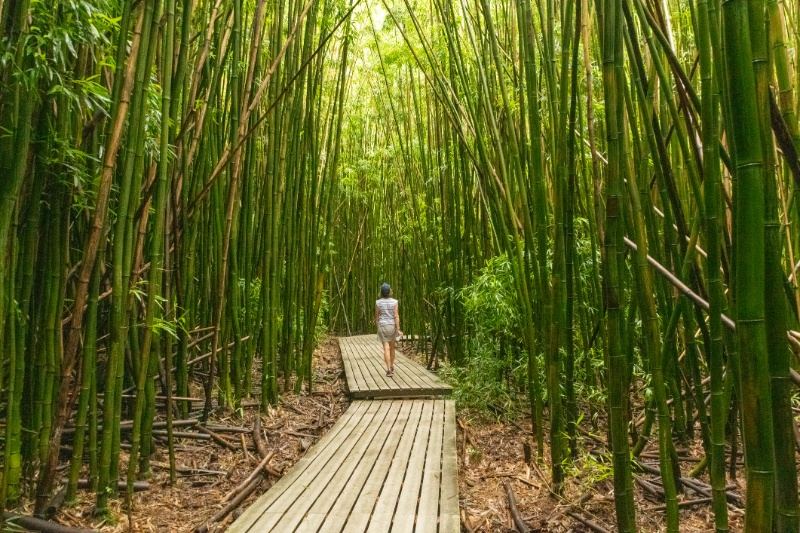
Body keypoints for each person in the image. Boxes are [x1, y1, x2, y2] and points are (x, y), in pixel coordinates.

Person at [375, 282, 402, 376]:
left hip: (382, 325)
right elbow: (396, 315)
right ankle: (392, 366)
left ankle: (388, 369)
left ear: (381, 292)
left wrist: (378, 326)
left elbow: (377, 317)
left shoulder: (378, 302)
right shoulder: (395, 302)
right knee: (392, 348)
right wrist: (398, 329)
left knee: (386, 348)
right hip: (392, 326)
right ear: (390, 291)